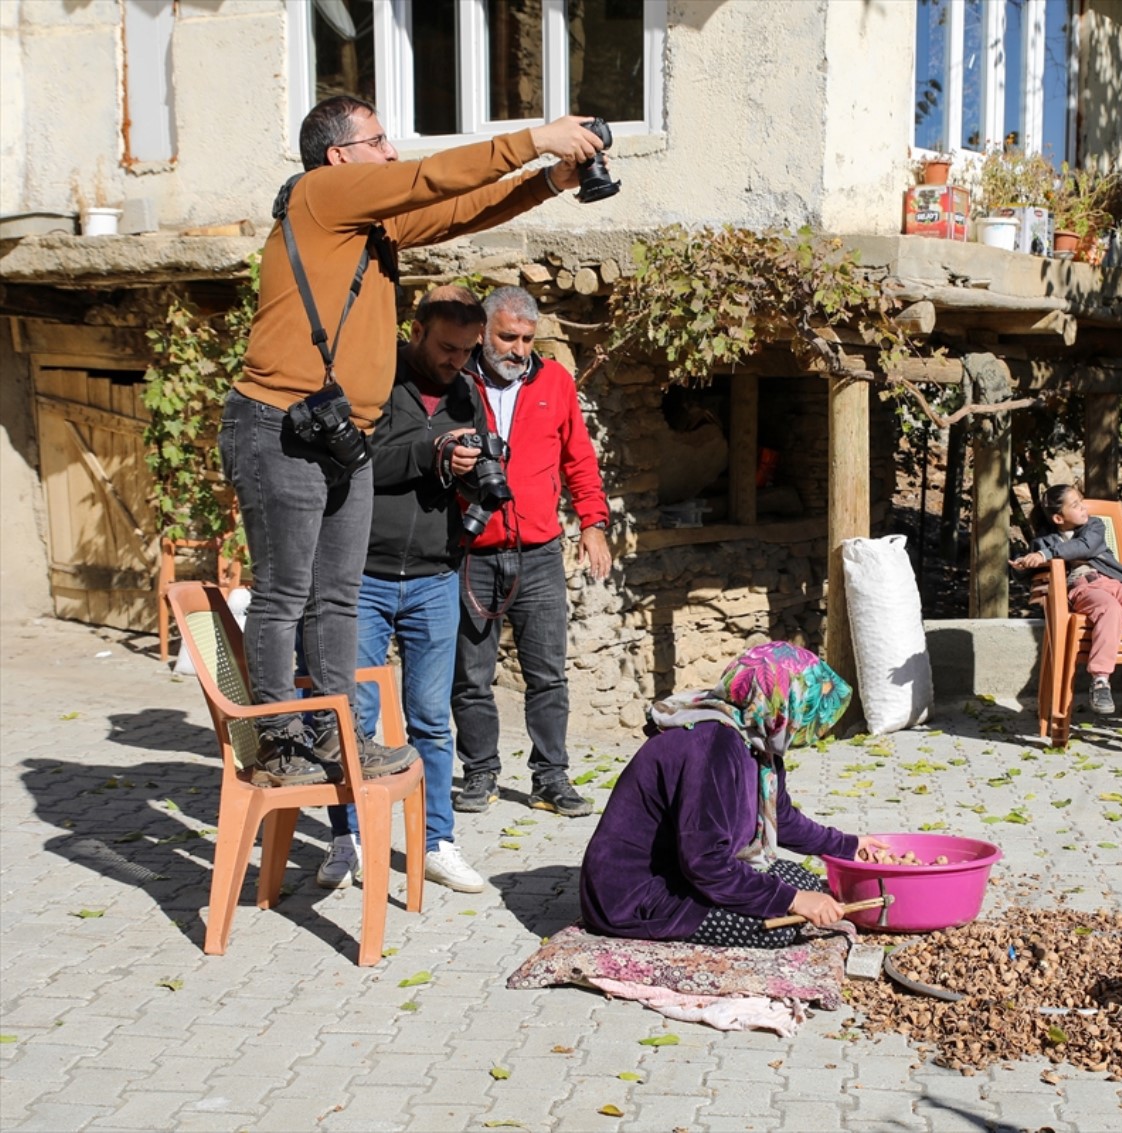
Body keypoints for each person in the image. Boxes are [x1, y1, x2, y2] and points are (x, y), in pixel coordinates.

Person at [224, 94, 608, 788]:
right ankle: (278, 742)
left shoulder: (366, 229)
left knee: (335, 595)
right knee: (286, 593)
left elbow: (460, 208)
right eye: (378, 140)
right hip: (280, 423)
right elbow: (432, 180)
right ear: (341, 155)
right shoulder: (321, 193)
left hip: (343, 435)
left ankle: (341, 737)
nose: (392, 151)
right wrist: (537, 138)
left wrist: (548, 181)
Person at [318, 286, 491, 893]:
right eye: (447, 348)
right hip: (360, 575)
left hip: (435, 578)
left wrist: (473, 470)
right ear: (416, 330)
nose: (457, 361)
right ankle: (350, 839)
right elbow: (352, 461)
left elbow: (459, 468)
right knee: (353, 716)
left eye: (468, 350)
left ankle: (436, 841)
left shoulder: (467, 390)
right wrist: (430, 450)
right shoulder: (373, 375)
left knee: (430, 719)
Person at [579, 642, 888, 946]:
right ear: (785, 704)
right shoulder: (715, 746)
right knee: (780, 926)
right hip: (637, 894)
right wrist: (792, 900)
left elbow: (783, 819)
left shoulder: (755, 735)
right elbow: (705, 861)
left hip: (685, 869)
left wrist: (848, 846)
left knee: (804, 881)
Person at [451, 287, 611, 818]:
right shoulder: (455, 381)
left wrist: (593, 522)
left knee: (548, 674)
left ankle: (550, 778)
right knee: (471, 675)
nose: (518, 349)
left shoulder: (555, 381)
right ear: (482, 332)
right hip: (471, 550)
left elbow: (579, 459)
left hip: (538, 552)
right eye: (507, 337)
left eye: (526, 338)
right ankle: (480, 774)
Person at [1010, 485, 1122, 719]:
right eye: (1075, 505)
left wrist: (1046, 555)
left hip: (1118, 582)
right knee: (1109, 610)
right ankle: (1100, 681)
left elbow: (1086, 546)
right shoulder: (1044, 541)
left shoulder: (1094, 526)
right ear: (1059, 517)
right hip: (1084, 587)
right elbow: (1031, 573)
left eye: (1081, 501)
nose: (1083, 507)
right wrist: (1024, 564)